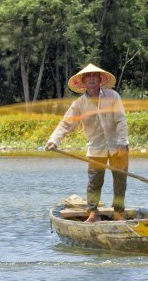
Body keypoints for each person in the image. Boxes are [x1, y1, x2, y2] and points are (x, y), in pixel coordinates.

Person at [45, 64, 129, 223]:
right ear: (83, 81)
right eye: (88, 76)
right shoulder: (79, 104)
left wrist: (122, 141)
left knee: (120, 181)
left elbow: (121, 119)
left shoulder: (113, 96)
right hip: (96, 148)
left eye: (94, 76)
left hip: (118, 145)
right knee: (94, 182)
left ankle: (118, 213)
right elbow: (66, 124)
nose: (91, 78)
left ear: (100, 79)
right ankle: (93, 213)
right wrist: (53, 140)